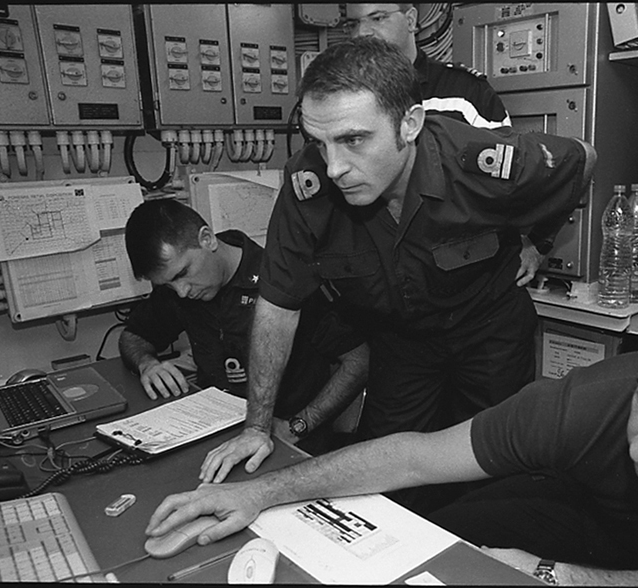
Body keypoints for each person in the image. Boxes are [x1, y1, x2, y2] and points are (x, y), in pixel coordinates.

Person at [147, 284, 638, 587]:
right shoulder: (591, 403)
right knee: (433, 525)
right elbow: (414, 453)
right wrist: (259, 493)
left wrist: (550, 574)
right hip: (588, 511)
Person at [199, 36, 595, 487]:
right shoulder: (307, 188)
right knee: (382, 476)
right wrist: (257, 426)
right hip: (402, 340)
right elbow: (277, 306)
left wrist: (539, 241)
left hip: (488, 333)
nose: (333, 167)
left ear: (409, 124)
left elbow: (582, 160)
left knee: (493, 469)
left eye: (353, 140)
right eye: (319, 143)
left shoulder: (478, 163)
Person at [120, 198, 368, 454]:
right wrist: (146, 363)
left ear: (207, 239)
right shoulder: (180, 291)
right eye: (168, 285)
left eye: (181, 275)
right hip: (214, 431)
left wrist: (299, 426)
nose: (181, 292)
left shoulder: (284, 281)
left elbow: (358, 361)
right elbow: (134, 336)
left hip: (287, 440)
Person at [345, 3, 547, 286]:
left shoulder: (464, 94)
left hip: (462, 278)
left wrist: (529, 241)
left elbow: (516, 179)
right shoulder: (342, 101)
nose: (362, 33)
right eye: (352, 24)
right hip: (379, 281)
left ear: (412, 19)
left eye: (377, 18)